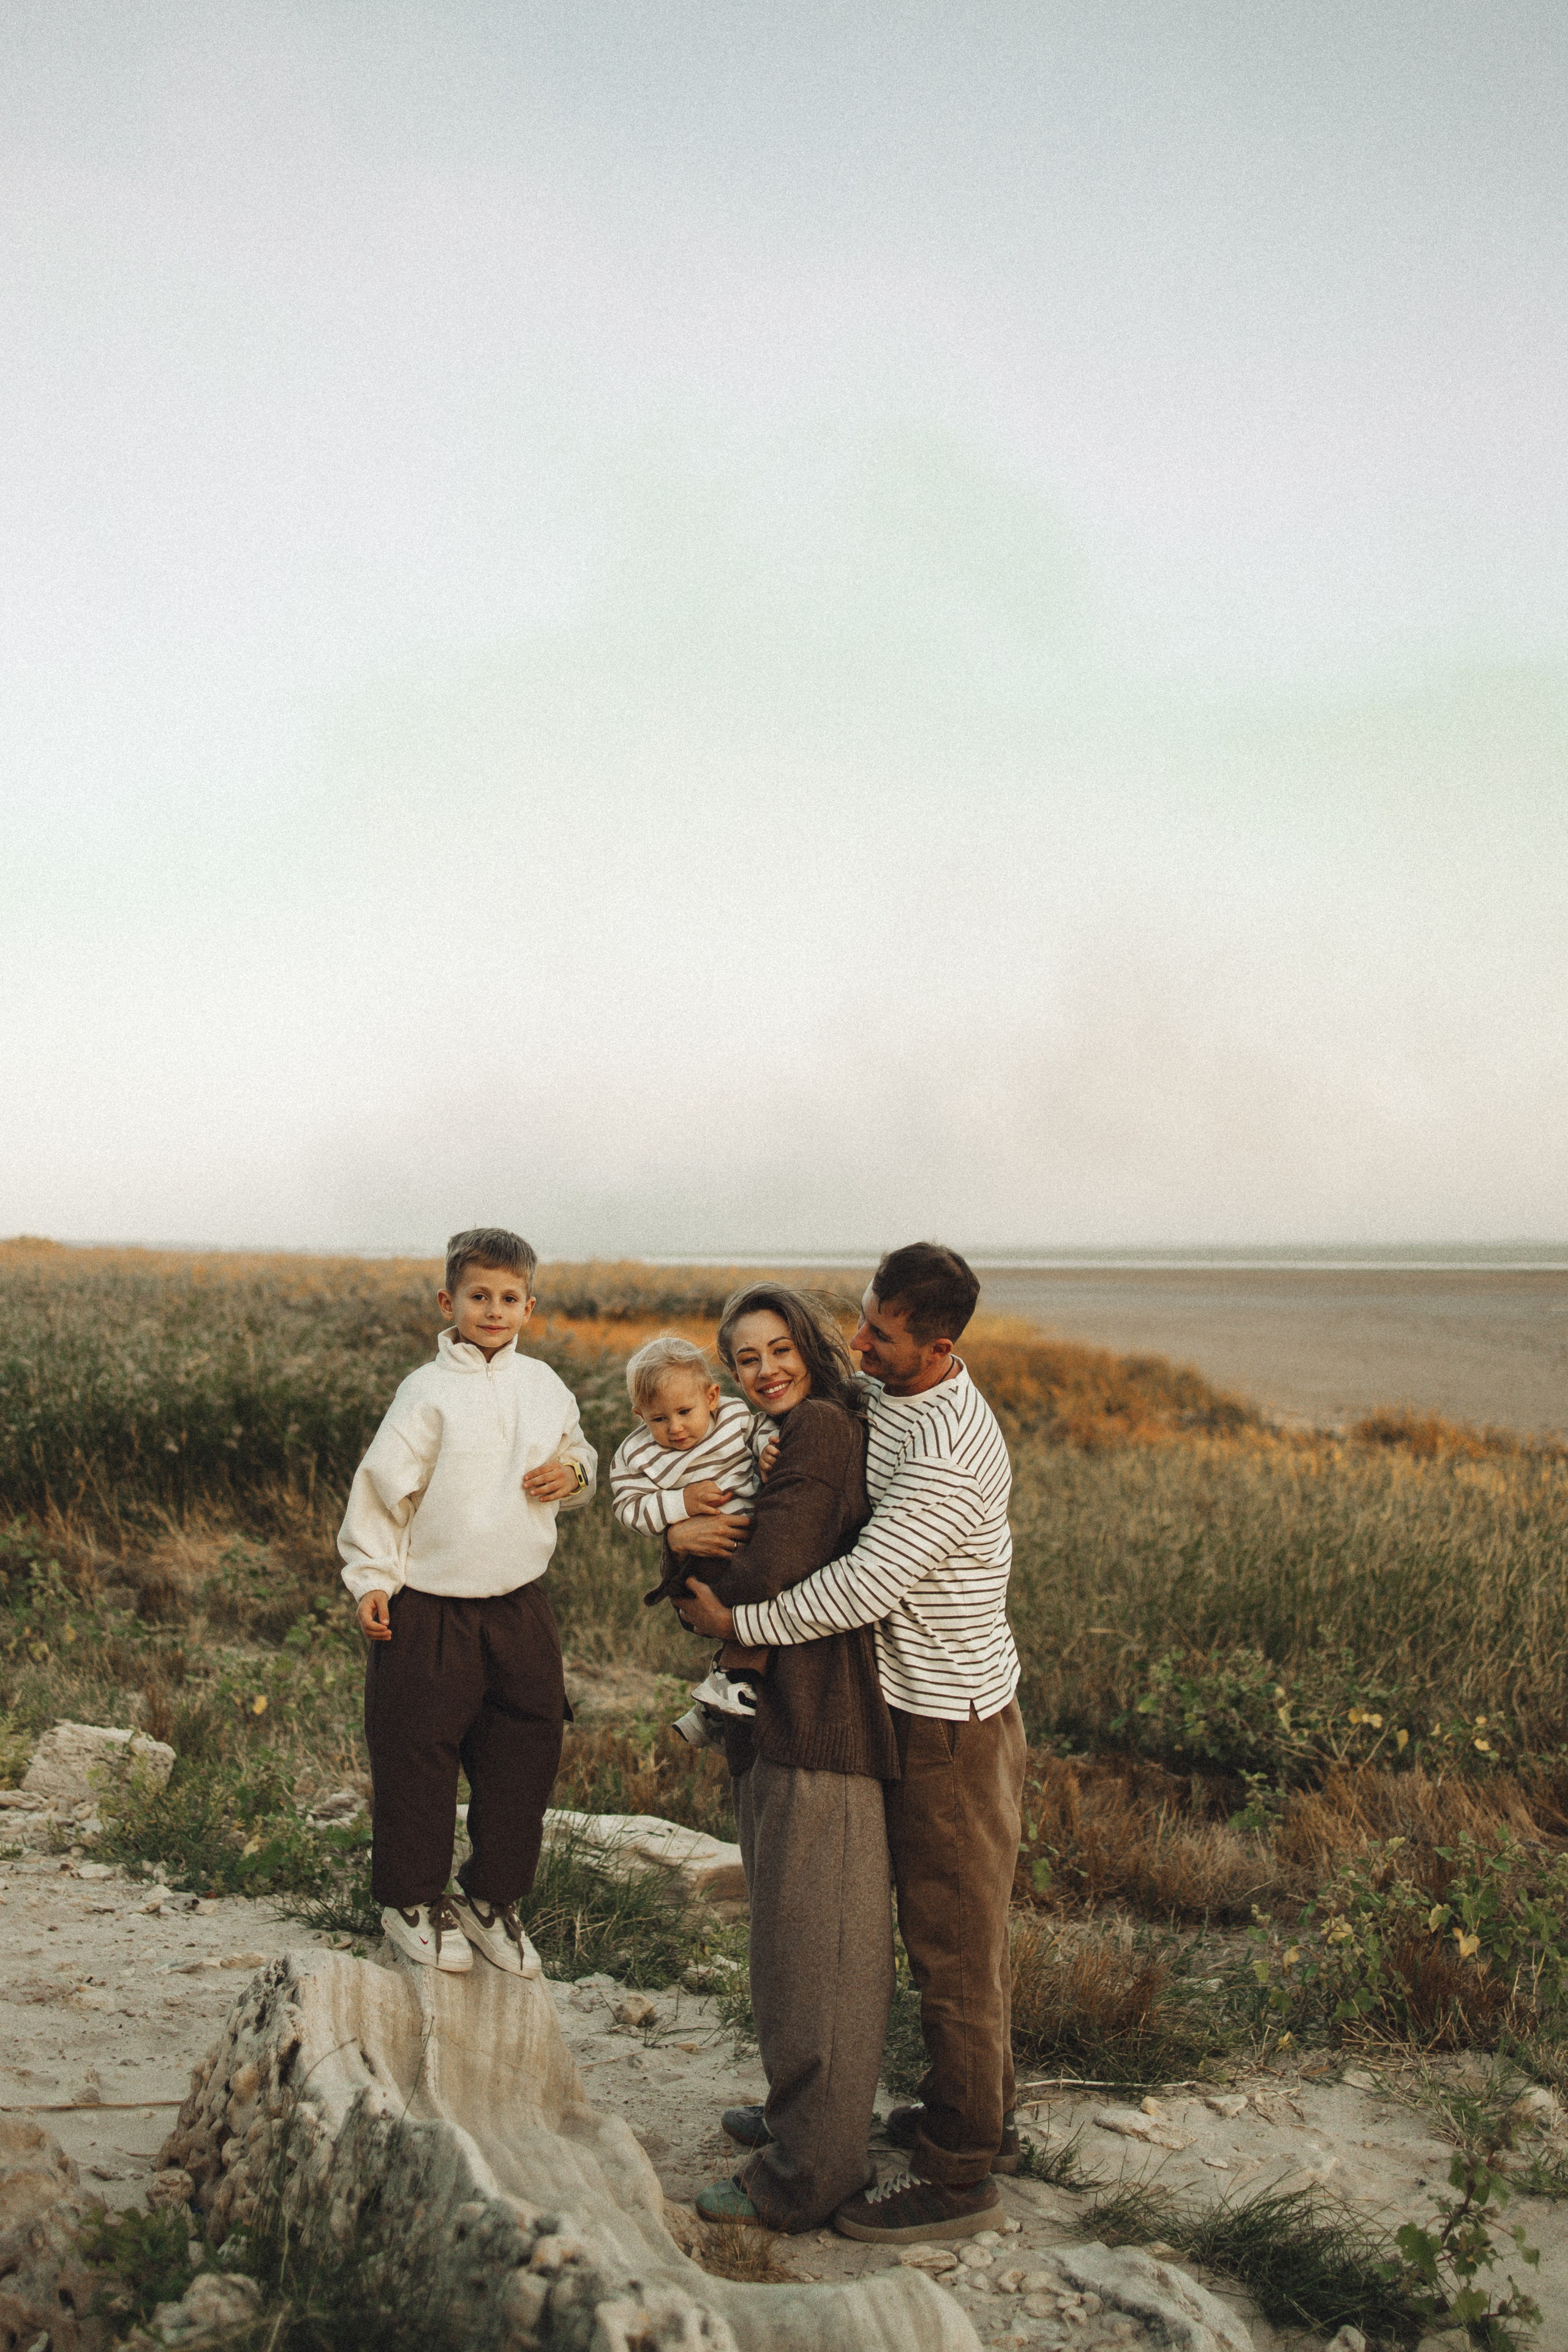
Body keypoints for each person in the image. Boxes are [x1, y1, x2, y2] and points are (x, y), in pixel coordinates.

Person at [680, 1242, 1023, 2245]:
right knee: (946, 1936)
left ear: (940, 1344)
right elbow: (846, 1465)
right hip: (911, 1703)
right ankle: (966, 2115)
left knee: (953, 1946)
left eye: (880, 1332)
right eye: (863, 1317)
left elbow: (867, 1585)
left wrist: (740, 1629)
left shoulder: (954, 1451)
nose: (859, 1339)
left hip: (949, 1722)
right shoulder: (898, 1400)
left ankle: (962, 2172)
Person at [661, 1283, 899, 2234]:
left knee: (822, 1954)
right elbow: (738, 1562)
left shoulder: (823, 1433)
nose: (763, 1370)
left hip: (821, 1719)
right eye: (744, 1359)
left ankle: (814, 2171)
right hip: (772, 1718)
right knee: (784, 1939)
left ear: (810, 1343)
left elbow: (770, 1565)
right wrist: (682, 1542)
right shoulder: (780, 1436)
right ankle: (800, 2115)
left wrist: (684, 1557)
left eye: (777, 1349)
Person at [339, 1226, 597, 1977]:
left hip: (518, 1604)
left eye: (509, 1298)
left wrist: (574, 1475)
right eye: (478, 1296)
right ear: (449, 1301)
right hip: (431, 1604)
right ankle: (411, 1901)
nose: (493, 1309)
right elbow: (379, 1493)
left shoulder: (544, 1384)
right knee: (418, 1755)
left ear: (529, 1305)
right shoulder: (426, 1391)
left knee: (525, 1751)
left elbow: (578, 1448)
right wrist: (372, 1582)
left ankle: (492, 1899)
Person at [606, 1333, 772, 1746]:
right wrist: (680, 1503)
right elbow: (629, 1510)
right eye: (658, 1419)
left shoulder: (734, 1418)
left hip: (752, 1540)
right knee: (753, 1606)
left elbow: (762, 1430)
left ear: (712, 1396)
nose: (675, 1428)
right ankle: (724, 1693)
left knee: (766, 1605)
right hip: (699, 1559)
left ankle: (715, 1704)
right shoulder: (637, 1455)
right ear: (639, 1414)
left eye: (685, 1411)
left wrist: (769, 1446)